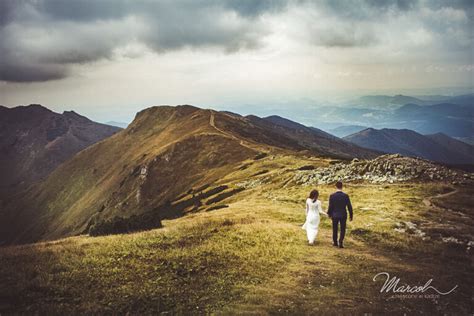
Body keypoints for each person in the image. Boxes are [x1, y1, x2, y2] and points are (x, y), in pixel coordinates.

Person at [327, 181, 353, 248]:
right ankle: (340, 242)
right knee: (342, 229)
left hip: (334, 214)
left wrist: (329, 213)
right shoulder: (345, 196)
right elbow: (349, 206)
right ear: (342, 186)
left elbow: (330, 206)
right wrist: (351, 215)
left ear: (336, 186)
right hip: (343, 214)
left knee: (335, 228)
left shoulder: (332, 196)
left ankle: (335, 242)